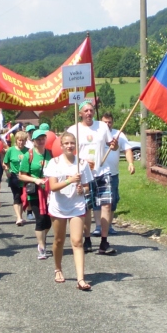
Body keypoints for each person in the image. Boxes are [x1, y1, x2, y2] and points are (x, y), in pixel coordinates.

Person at [44, 132, 94, 290]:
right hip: (59, 207)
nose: (69, 146)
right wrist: (69, 180)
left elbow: (87, 188)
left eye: (72, 143)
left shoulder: (82, 164)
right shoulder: (54, 163)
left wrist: (82, 190)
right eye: (66, 143)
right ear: (61, 145)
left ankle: (80, 279)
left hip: (76, 206)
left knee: (77, 241)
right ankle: (58, 269)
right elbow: (52, 187)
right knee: (59, 240)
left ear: (76, 145)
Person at [67, 102, 118, 254]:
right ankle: (87, 239)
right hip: (84, 174)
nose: (89, 113)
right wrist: (81, 163)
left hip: (103, 170)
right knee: (86, 207)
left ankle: (104, 242)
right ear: (80, 113)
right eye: (86, 110)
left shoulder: (102, 126)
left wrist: (114, 145)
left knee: (107, 204)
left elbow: (112, 146)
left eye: (91, 110)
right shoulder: (73, 129)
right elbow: (68, 151)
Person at [93, 112, 135, 236]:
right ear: (101, 122)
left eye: (109, 122)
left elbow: (127, 150)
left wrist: (131, 163)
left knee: (112, 200)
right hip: (97, 172)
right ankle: (98, 226)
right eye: (105, 122)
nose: (107, 124)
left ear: (113, 122)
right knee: (97, 200)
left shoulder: (119, 134)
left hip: (113, 174)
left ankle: (109, 225)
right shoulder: (96, 132)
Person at [19, 129, 53, 259]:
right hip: (34, 192)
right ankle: (41, 247)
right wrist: (35, 180)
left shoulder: (49, 154)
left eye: (43, 138)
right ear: (33, 141)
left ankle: (42, 238)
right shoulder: (29, 155)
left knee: (48, 222)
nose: (41, 141)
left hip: (48, 192)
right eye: (38, 139)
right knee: (40, 219)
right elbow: (21, 176)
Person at [3, 130, 29, 226]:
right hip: (14, 176)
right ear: (16, 141)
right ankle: (18, 217)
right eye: (19, 140)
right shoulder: (11, 150)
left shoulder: (28, 151)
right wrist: (7, 171)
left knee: (23, 197)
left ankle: (21, 216)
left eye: (23, 140)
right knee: (17, 196)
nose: (21, 142)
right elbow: (5, 163)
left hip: (25, 176)